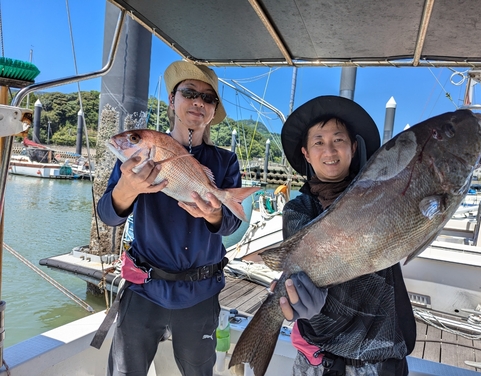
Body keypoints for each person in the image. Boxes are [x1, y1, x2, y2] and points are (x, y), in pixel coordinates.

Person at [97, 60, 243, 376]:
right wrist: (127, 188)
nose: (198, 102)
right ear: (172, 101)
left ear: (213, 110)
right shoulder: (140, 154)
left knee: (198, 371)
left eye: (208, 98)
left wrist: (215, 212)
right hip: (144, 289)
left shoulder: (226, 161)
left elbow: (231, 224)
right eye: (189, 92)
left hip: (201, 293)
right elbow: (108, 216)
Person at [277, 96, 416, 376]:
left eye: (338, 140)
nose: (329, 150)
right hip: (326, 359)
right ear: (305, 153)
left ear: (353, 147)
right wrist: (307, 307)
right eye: (318, 141)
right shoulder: (298, 210)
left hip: (383, 357)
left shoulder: (381, 196)